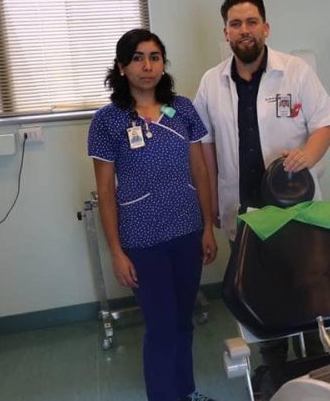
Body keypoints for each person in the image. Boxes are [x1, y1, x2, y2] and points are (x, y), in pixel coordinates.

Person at [193, 0, 330, 397]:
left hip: (297, 209)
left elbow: (325, 124)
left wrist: (307, 156)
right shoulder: (211, 82)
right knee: (262, 297)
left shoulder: (295, 71)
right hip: (245, 211)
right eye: (236, 24)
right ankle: (275, 376)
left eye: (252, 22)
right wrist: (211, 206)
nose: (244, 30)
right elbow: (205, 147)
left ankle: (317, 376)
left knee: (309, 293)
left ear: (266, 27)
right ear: (226, 32)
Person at [88, 29, 218, 401]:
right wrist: (116, 252)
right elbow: (105, 192)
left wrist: (207, 228)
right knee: (161, 328)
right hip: (142, 241)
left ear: (163, 64)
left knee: (183, 322)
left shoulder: (182, 109)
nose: (147, 66)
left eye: (155, 57)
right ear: (121, 67)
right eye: (137, 58)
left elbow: (200, 170)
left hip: (187, 232)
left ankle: (186, 392)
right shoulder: (108, 121)